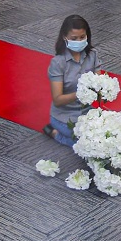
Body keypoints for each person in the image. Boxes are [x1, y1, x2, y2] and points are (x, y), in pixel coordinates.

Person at [44, 14, 101, 146]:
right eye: (74, 38)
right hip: (64, 116)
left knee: (103, 136)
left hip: (87, 111)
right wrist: (80, 93)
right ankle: (55, 133)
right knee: (85, 142)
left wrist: (103, 89)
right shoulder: (58, 63)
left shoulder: (92, 55)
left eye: (82, 37)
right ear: (65, 38)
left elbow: (99, 82)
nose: (79, 41)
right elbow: (57, 100)